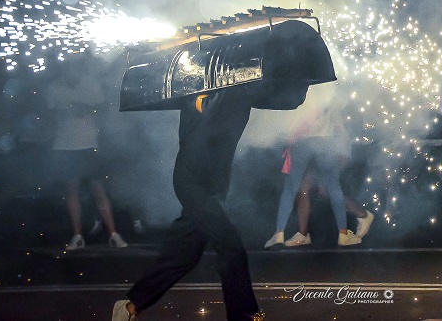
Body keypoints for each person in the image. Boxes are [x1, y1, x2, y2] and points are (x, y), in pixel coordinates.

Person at [112, 87, 266, 321]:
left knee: (184, 254)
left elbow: (287, 100)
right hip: (192, 181)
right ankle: (244, 314)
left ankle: (131, 305)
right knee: (230, 244)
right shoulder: (195, 90)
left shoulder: (240, 93)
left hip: (215, 186)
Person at [46, 54, 128, 251]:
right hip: (65, 146)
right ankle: (78, 235)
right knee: (72, 191)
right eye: (66, 68)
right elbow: (48, 117)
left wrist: (85, 109)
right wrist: (62, 113)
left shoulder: (90, 83)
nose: (69, 72)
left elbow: (102, 111)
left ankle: (113, 234)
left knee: (98, 189)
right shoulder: (54, 87)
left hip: (89, 144)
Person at [264, 89, 363, 249]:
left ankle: (279, 233)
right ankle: (344, 234)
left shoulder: (295, 93)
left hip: (300, 143)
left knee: (290, 189)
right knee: (333, 187)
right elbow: (337, 126)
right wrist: (342, 149)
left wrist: (291, 138)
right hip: (325, 142)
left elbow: (289, 122)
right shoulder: (327, 94)